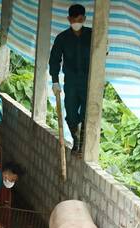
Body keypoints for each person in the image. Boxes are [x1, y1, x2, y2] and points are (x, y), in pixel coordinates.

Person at [49, 4, 92, 153]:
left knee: (88, 113)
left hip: (89, 82)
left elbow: (101, 53)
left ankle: (83, 146)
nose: (76, 23)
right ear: (68, 19)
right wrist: (55, 80)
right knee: (71, 114)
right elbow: (54, 60)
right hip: (71, 82)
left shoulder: (93, 35)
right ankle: (76, 139)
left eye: (79, 19)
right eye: (73, 20)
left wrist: (104, 46)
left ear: (84, 19)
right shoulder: (62, 38)